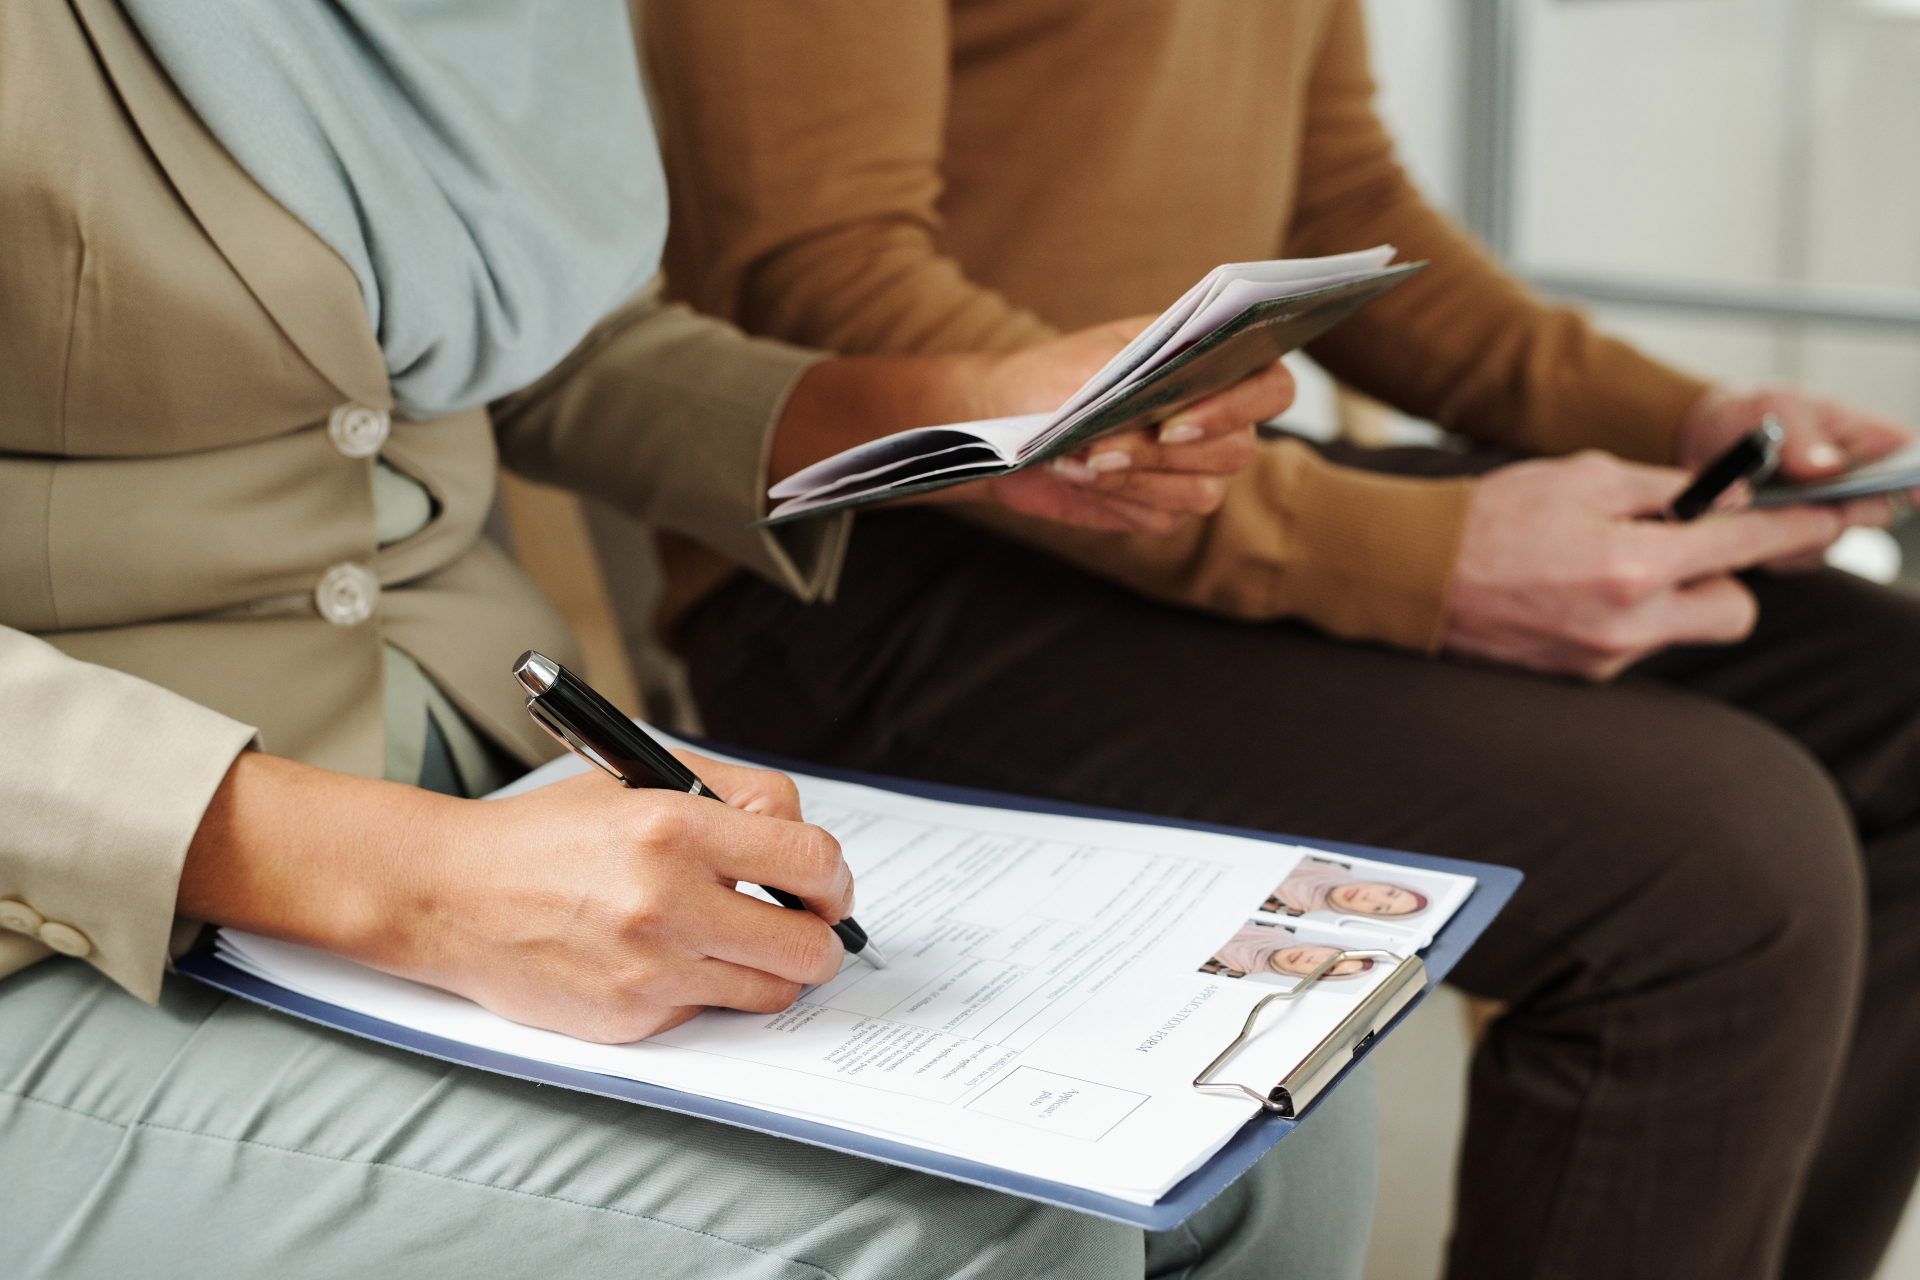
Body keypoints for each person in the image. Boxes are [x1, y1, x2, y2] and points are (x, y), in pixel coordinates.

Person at [0, 4, 1372, 1277]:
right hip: (76, 884)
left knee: (1258, 1116)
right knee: (956, 1238)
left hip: (481, 762)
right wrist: (412, 882)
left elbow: (545, 348)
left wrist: (962, 411)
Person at [638, 4, 1920, 1279]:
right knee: (1719, 859)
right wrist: (1423, 556)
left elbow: (1341, 196)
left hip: (1207, 484)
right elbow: (814, 275)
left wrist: (1689, 422)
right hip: (892, 557)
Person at [1263, 859, 1429, 919]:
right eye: (1390, 892)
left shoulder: (1289, 914)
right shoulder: (1328, 862)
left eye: (1379, 907)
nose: (1369, 898)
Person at [1206, 925, 1375, 982]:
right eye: (1333, 956)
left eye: (1327, 969)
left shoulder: (1229, 974)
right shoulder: (1276, 928)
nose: (1313, 960)